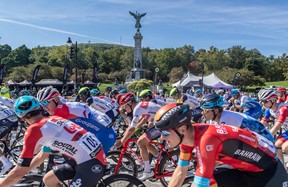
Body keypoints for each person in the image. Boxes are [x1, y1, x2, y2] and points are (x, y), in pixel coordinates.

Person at [154, 103, 288, 187]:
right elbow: (180, 172)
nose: (161, 137)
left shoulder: (207, 139)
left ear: (182, 129)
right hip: (245, 171)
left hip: (268, 172)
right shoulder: (187, 139)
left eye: (165, 133)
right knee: (212, 181)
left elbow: (201, 183)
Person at [0, 96, 106, 187]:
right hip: (86, 157)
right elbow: (43, 154)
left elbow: (19, 172)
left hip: (91, 162)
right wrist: (24, 171)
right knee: (48, 180)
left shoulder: (34, 130)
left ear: (22, 118)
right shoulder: (53, 119)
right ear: (40, 108)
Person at [36, 86, 116, 154]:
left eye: (46, 103)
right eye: (42, 105)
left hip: (104, 135)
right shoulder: (64, 106)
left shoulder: (62, 110)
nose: (44, 108)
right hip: (99, 132)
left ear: (56, 99)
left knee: (85, 165)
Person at [114, 92, 162, 180]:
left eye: (124, 106)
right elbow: (145, 118)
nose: (124, 109)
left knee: (140, 142)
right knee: (145, 142)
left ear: (129, 103)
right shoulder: (140, 106)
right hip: (161, 122)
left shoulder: (137, 108)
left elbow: (132, 128)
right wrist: (134, 129)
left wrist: (121, 141)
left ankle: (148, 171)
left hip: (162, 125)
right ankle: (162, 159)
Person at [200, 93, 274, 143]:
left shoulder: (226, 119)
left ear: (215, 111)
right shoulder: (214, 120)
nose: (202, 113)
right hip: (253, 140)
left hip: (265, 140)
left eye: (205, 110)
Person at [0, 104, 18, 175]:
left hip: (5, 121)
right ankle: (6, 150)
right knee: (3, 137)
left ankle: (6, 163)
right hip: (13, 118)